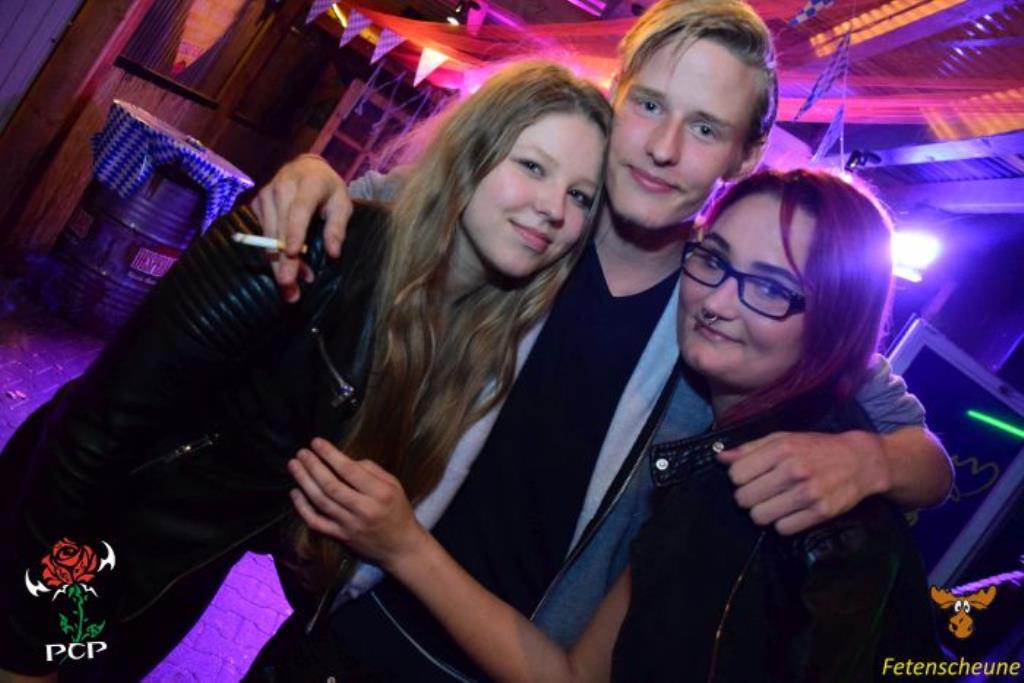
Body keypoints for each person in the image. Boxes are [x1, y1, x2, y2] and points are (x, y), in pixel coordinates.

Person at [246, 1, 951, 680]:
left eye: (706, 128)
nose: (663, 149)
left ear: (745, 154)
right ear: (616, 93)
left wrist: (869, 458)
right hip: (346, 625)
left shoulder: (722, 306)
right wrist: (311, 179)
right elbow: (380, 207)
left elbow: (925, 458)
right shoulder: (532, 221)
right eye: (649, 105)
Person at [0, 61, 610, 683]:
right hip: (57, 548)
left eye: (581, 196)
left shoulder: (464, 349)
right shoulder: (304, 240)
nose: (552, 208)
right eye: (532, 166)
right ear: (470, 156)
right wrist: (26, 648)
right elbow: (90, 434)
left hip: (169, 589)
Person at [288, 168, 944, 682]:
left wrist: (402, 545)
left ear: (835, 320)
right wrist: (317, 180)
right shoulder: (721, 454)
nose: (717, 301)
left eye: (771, 288)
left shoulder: (770, 488)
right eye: (714, 258)